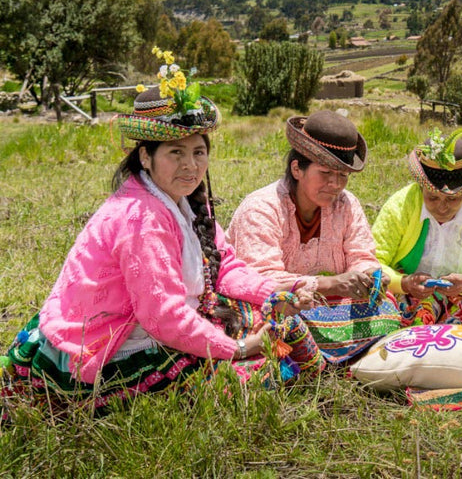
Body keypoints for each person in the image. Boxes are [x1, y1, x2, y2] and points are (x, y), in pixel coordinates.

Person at [2, 55, 319, 408]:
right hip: (106, 348)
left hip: (158, 324)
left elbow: (224, 267)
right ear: (145, 157)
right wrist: (239, 348)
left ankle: (307, 370)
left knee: (277, 321)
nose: (190, 165)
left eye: (198, 152)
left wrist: (276, 293)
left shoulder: (185, 200)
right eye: (175, 153)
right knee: (251, 373)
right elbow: (164, 316)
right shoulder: (141, 220)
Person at [227, 110, 399, 364]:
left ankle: (319, 352)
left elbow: (361, 255)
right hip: (282, 305)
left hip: (327, 306)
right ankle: (334, 353)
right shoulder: (261, 209)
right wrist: (329, 284)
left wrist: (369, 275)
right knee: (271, 322)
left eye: (343, 175)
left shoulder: (346, 205)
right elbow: (261, 279)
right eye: (325, 173)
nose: (335, 184)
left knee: (387, 312)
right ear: (297, 169)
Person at [372, 129, 462, 326]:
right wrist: (404, 283)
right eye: (432, 198)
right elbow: (373, 263)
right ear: (421, 188)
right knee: (377, 309)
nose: (442, 207)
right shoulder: (400, 206)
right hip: (409, 296)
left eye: (453, 199)